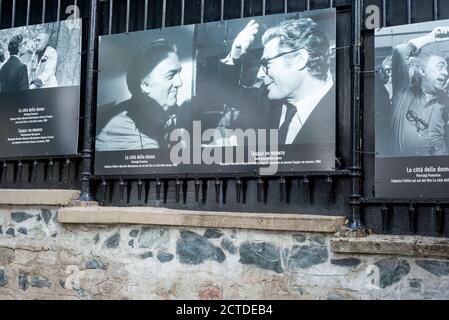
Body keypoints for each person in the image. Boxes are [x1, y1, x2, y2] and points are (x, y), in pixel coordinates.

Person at [221, 18, 335, 146]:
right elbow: (228, 92)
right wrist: (235, 54)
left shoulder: (340, 115)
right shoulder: (267, 99)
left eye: (266, 64)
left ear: (299, 59)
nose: (259, 74)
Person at [96, 39, 184, 151]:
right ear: (145, 85)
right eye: (170, 76)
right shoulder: (114, 127)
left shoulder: (173, 114)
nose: (180, 83)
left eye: (179, 73)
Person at [391, 26, 449, 156]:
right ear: (422, 71)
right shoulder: (403, 94)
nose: (445, 73)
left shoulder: (445, 103)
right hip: (400, 171)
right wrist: (431, 38)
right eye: (440, 67)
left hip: (436, 172)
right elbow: (400, 51)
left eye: (446, 69)